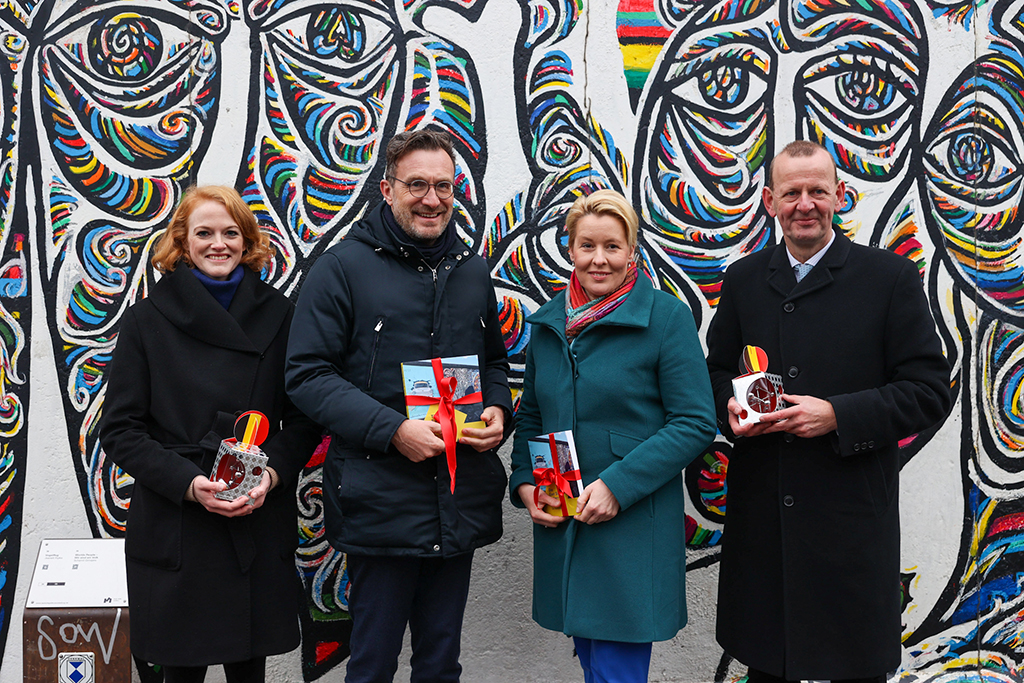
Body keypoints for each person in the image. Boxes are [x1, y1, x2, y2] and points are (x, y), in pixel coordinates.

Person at [705, 141, 952, 682]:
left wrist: (838, 415)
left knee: (854, 668)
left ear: (841, 196)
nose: (805, 203)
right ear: (770, 201)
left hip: (850, 523)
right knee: (769, 664)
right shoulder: (744, 279)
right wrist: (730, 403)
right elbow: (716, 370)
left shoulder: (889, 278)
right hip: (765, 521)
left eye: (818, 190)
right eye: (791, 192)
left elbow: (929, 390)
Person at [284, 129, 513, 683]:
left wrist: (498, 412)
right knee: (372, 665)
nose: (431, 198)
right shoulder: (341, 269)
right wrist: (392, 431)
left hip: (456, 500)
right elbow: (307, 376)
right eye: (416, 185)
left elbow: (493, 363)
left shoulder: (471, 269)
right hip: (378, 500)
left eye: (442, 185)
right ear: (386, 190)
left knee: (440, 664)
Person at [99, 186, 322, 682]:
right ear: (182, 242)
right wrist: (188, 483)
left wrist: (276, 475)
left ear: (247, 241)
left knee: (248, 670)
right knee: (180, 672)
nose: (218, 243)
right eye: (204, 232)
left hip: (254, 513)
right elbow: (120, 429)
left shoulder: (281, 315)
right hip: (179, 520)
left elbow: (306, 418)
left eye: (230, 232)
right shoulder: (144, 320)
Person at [508, 189, 717, 682]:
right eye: (587, 246)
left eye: (612, 246)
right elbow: (532, 416)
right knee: (595, 666)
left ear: (632, 251)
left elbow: (694, 422)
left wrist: (617, 486)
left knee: (617, 672)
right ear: (570, 249)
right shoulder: (548, 324)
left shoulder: (666, 319)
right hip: (564, 520)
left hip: (629, 526)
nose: (598, 259)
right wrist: (524, 483)